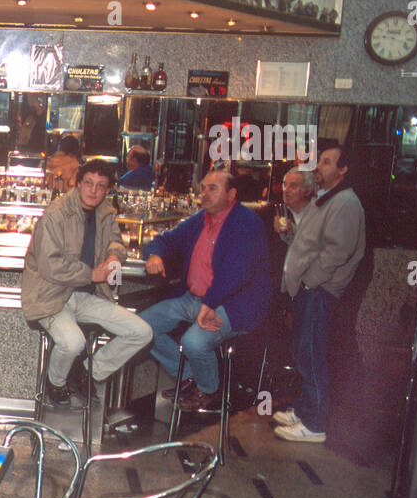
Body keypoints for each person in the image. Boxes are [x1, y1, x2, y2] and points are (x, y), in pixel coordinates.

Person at [139, 168, 271, 411]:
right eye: (203, 189)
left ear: (231, 194)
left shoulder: (247, 223)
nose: (205, 194)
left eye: (213, 188)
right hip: (193, 299)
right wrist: (155, 254)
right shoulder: (200, 219)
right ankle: (191, 376)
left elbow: (237, 272)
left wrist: (209, 304)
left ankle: (208, 389)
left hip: (234, 304)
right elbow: (164, 239)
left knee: (193, 343)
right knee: (140, 328)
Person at [22, 160, 152, 405]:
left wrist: (114, 256)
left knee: (142, 332)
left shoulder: (105, 212)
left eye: (101, 186)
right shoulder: (55, 214)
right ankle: (56, 383)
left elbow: (115, 240)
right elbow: (50, 266)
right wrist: (92, 275)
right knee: (73, 342)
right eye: (89, 183)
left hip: (87, 296)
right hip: (51, 295)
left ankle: (85, 373)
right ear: (79, 183)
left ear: (107, 190)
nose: (93, 191)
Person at [274, 141, 366, 443]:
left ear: (343, 170)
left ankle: (314, 424)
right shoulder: (325, 199)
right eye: (320, 160)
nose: (319, 166)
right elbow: (309, 243)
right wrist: (290, 237)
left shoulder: (346, 203)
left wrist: (309, 282)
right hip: (309, 288)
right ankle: (305, 410)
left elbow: (336, 252)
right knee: (303, 351)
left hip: (319, 290)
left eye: (327, 162)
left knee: (311, 355)